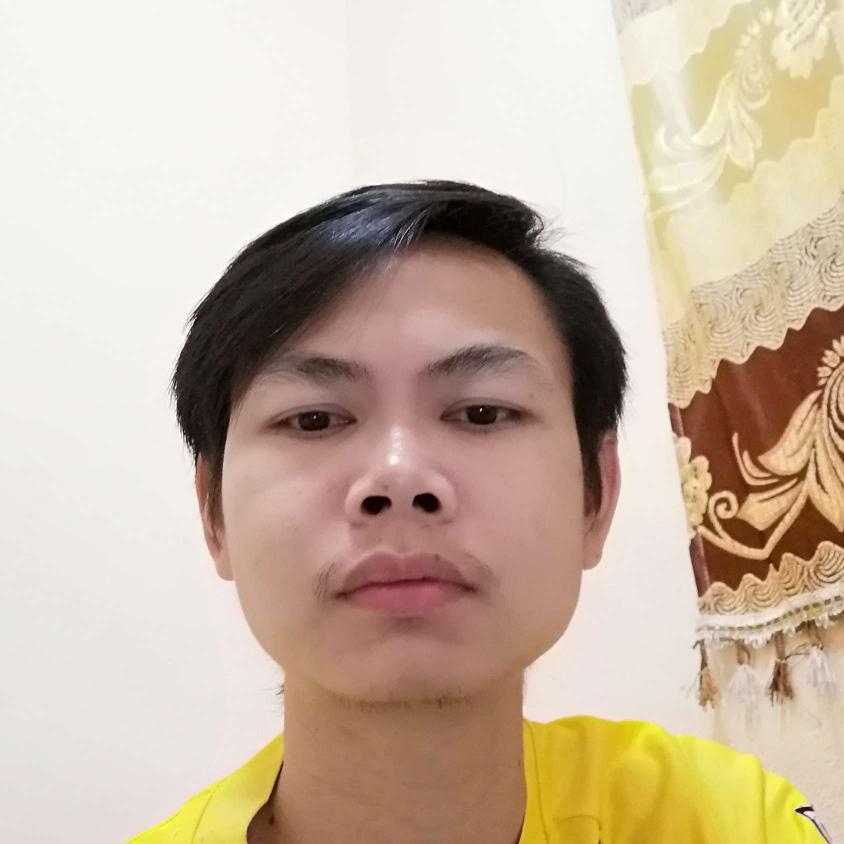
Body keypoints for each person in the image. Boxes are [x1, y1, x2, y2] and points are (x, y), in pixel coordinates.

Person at [128, 181, 832, 844]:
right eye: (313, 419)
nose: (399, 478)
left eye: (482, 412)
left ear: (596, 496)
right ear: (213, 514)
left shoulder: (728, 822)